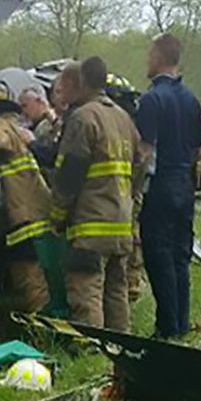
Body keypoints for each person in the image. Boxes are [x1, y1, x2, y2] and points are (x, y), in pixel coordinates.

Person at [51, 57, 144, 332]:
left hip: (91, 226)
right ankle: (120, 350)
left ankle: (91, 354)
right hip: (121, 225)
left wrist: (57, 217)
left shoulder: (83, 118)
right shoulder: (123, 118)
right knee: (116, 292)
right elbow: (139, 168)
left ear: (80, 83)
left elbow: (69, 175)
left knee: (86, 290)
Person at [135, 34, 201, 340]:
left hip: (160, 183)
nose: (147, 60)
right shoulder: (190, 100)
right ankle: (181, 322)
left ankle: (166, 327)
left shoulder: (151, 100)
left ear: (161, 57)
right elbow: (198, 153)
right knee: (180, 255)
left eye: (150, 54)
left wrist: (136, 189)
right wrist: (191, 186)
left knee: (158, 253)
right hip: (184, 184)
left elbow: (146, 153)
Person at [0, 79, 53, 312]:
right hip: (29, 215)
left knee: (31, 281)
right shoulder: (18, 128)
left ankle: (45, 333)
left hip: (27, 220)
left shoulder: (4, 126)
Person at [104, 73, 146, 303]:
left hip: (115, 203)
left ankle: (132, 285)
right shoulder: (130, 128)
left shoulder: (111, 125)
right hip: (127, 198)